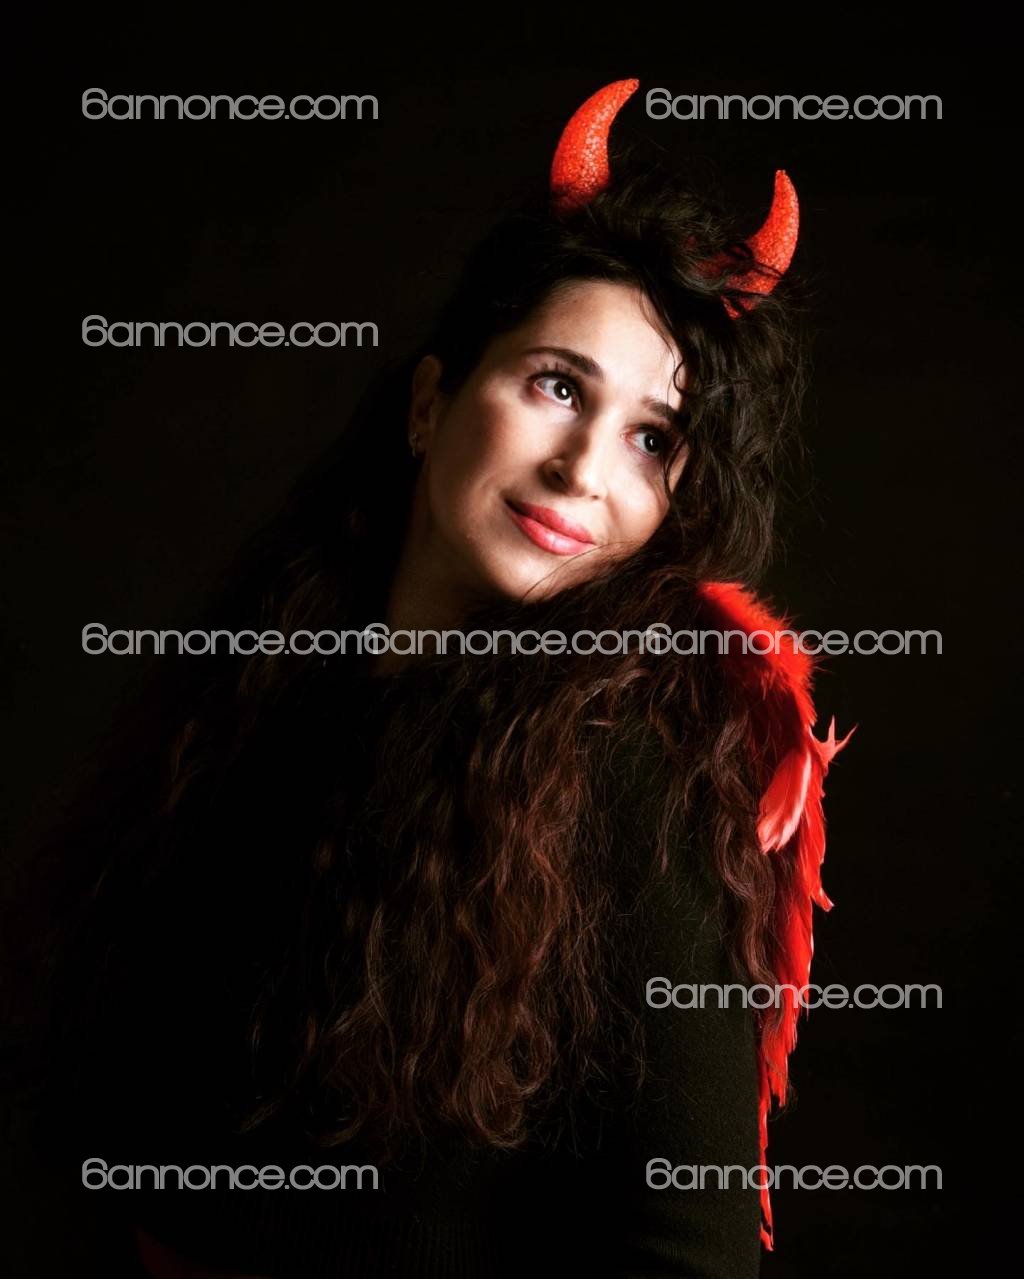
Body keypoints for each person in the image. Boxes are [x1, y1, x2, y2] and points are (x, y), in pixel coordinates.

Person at [10, 79, 849, 1277]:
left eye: (650, 440)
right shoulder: (261, 678)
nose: (580, 469)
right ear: (429, 401)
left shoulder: (640, 776)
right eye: (557, 384)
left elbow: (688, 1244)